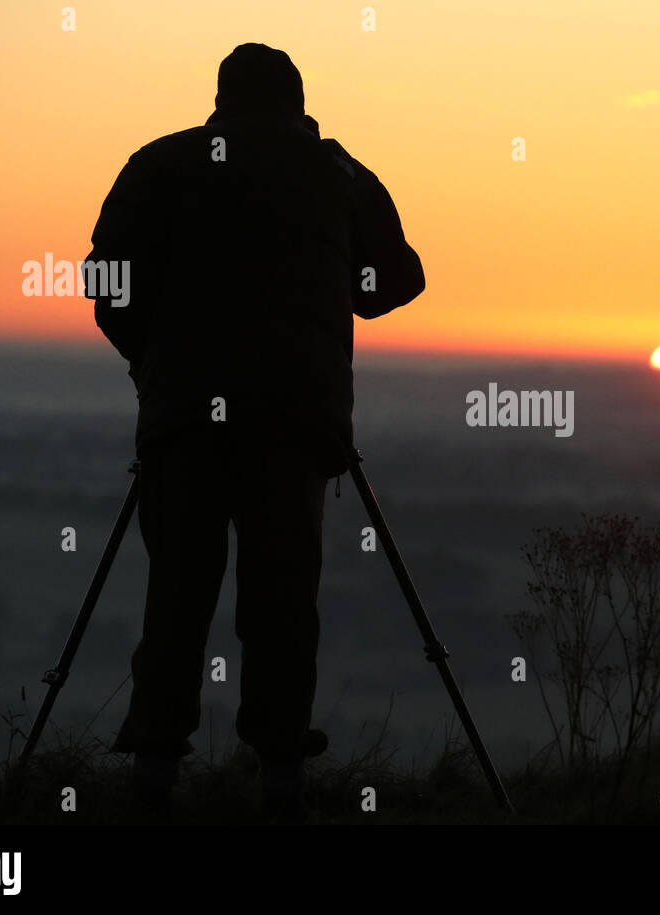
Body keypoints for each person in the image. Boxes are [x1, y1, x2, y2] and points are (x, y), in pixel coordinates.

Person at [82, 42, 425, 819]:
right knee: (282, 599)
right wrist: (333, 285)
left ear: (220, 101)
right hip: (293, 423)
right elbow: (400, 277)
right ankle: (279, 778)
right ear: (298, 104)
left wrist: (152, 365)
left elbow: (105, 281)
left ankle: (154, 776)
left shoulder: (161, 164)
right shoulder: (336, 173)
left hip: (183, 425)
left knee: (177, 592)